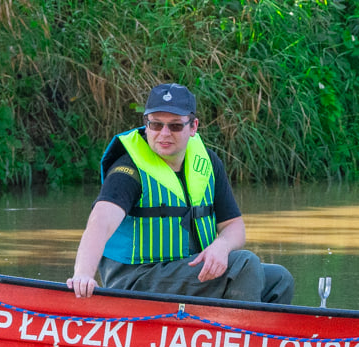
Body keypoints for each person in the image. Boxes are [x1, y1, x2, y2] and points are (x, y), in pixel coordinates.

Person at [67, 83, 294, 304]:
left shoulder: (208, 163)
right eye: (156, 125)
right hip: (136, 280)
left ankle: (266, 339)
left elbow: (234, 226)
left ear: (193, 126)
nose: (164, 133)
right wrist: (83, 274)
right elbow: (101, 221)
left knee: (279, 278)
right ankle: (240, 337)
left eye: (175, 126)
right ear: (146, 124)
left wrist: (221, 246)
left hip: (185, 271)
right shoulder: (128, 169)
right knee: (244, 264)